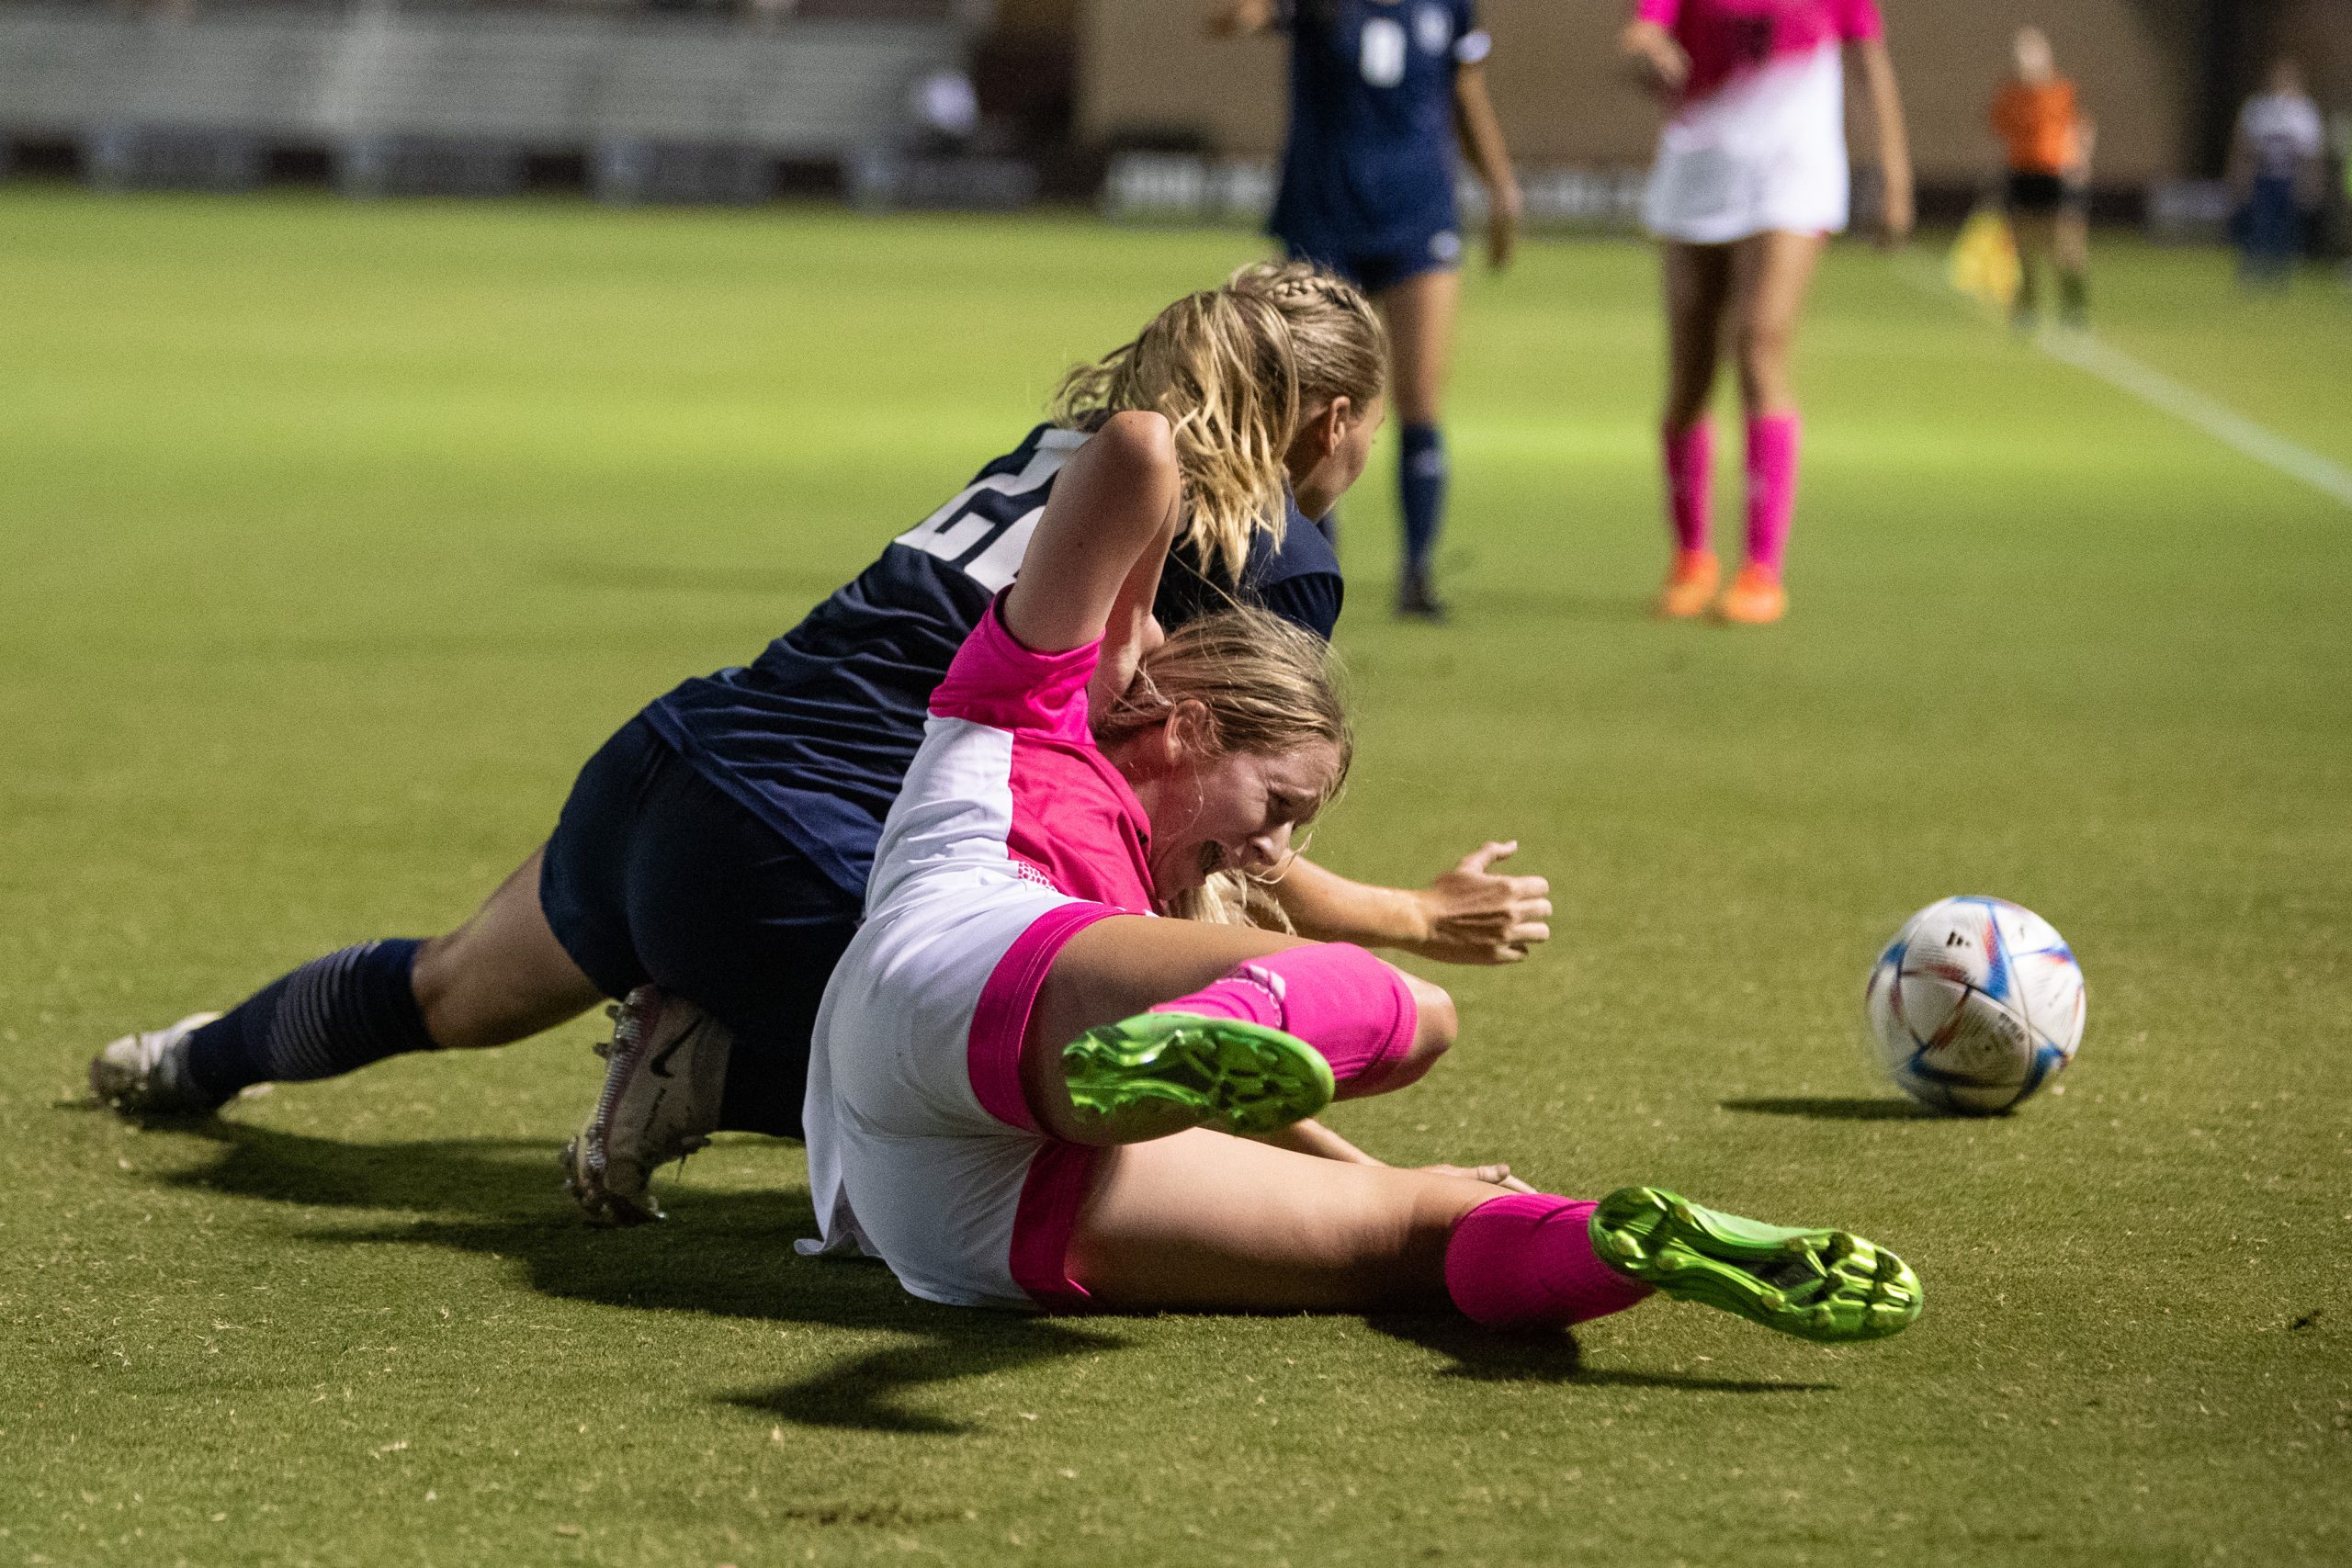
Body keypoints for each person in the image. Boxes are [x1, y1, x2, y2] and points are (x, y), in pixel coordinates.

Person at [89, 264, 1556, 1220]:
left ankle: (188, 1058)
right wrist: (1390, 1166)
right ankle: (715, 1064)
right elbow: (1207, 862)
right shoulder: (1271, 545)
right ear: (1340, 418)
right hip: (805, 841)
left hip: (675, 760)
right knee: (1040, 1084)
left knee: (450, 986)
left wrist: (1404, 912)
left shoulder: (1063, 453)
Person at [797, 401, 1925, 1349]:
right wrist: (1133, 610)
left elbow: (1243, 1074)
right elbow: (1138, 444)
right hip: (951, 972)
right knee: (1414, 1012)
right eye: (1275, 804)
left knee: (1420, 1230)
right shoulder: (1026, 707)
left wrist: (1368, 1166)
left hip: (954, 1213)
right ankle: (1218, 1047)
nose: (1272, 851)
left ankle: (1623, 1240)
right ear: (1187, 726)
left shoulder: (1140, 905)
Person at [1208, 0, 1522, 620]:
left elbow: (1467, 93)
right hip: (1323, 213)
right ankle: (1309, 563)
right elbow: (1225, 21)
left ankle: (1417, 573)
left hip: (1418, 212)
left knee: (1420, 397)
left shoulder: (1448, 8)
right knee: (1312, 403)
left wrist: (1501, 187)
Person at [1622, 0, 1913, 626]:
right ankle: (1693, 557)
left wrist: (1893, 171)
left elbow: (1868, 59)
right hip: (1701, 161)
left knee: (1759, 341)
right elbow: (1643, 31)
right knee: (1692, 370)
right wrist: (1647, 53)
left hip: (1792, 171)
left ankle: (1762, 568)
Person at [1990, 26, 2094, 331]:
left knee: (2065, 248)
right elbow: (2001, 133)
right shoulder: (2010, 95)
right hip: (2022, 175)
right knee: (2023, 248)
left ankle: (2074, 306)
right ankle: (2028, 307)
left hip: (2057, 174)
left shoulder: (2062, 92)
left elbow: (2081, 127)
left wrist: (2081, 161)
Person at [2231, 57, 2325, 290]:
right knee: (2260, 224)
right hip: (2264, 178)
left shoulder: (2304, 111)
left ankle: (2278, 276)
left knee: (2285, 228)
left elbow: (2311, 153)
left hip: (2289, 179)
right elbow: (2245, 146)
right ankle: (2253, 272)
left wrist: (2312, 183)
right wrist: (2239, 176)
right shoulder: (2260, 108)